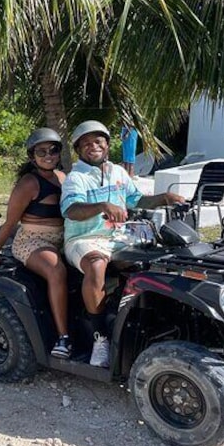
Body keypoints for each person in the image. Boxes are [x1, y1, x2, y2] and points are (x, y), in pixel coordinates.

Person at [61, 120, 185, 368]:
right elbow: (70, 210)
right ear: (78, 150)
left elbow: (136, 199)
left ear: (107, 144)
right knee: (96, 266)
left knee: (154, 260)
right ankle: (100, 338)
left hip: (116, 238)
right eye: (85, 143)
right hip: (83, 239)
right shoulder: (76, 177)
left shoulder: (118, 172)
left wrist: (165, 198)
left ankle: (137, 322)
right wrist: (102, 207)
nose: (92, 146)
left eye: (98, 141)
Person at [0, 128, 70, 358]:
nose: (48, 155)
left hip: (62, 240)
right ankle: (63, 338)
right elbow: (10, 222)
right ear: (32, 156)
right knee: (56, 271)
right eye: (41, 151)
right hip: (32, 241)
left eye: (53, 150)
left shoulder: (63, 178)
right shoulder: (28, 184)